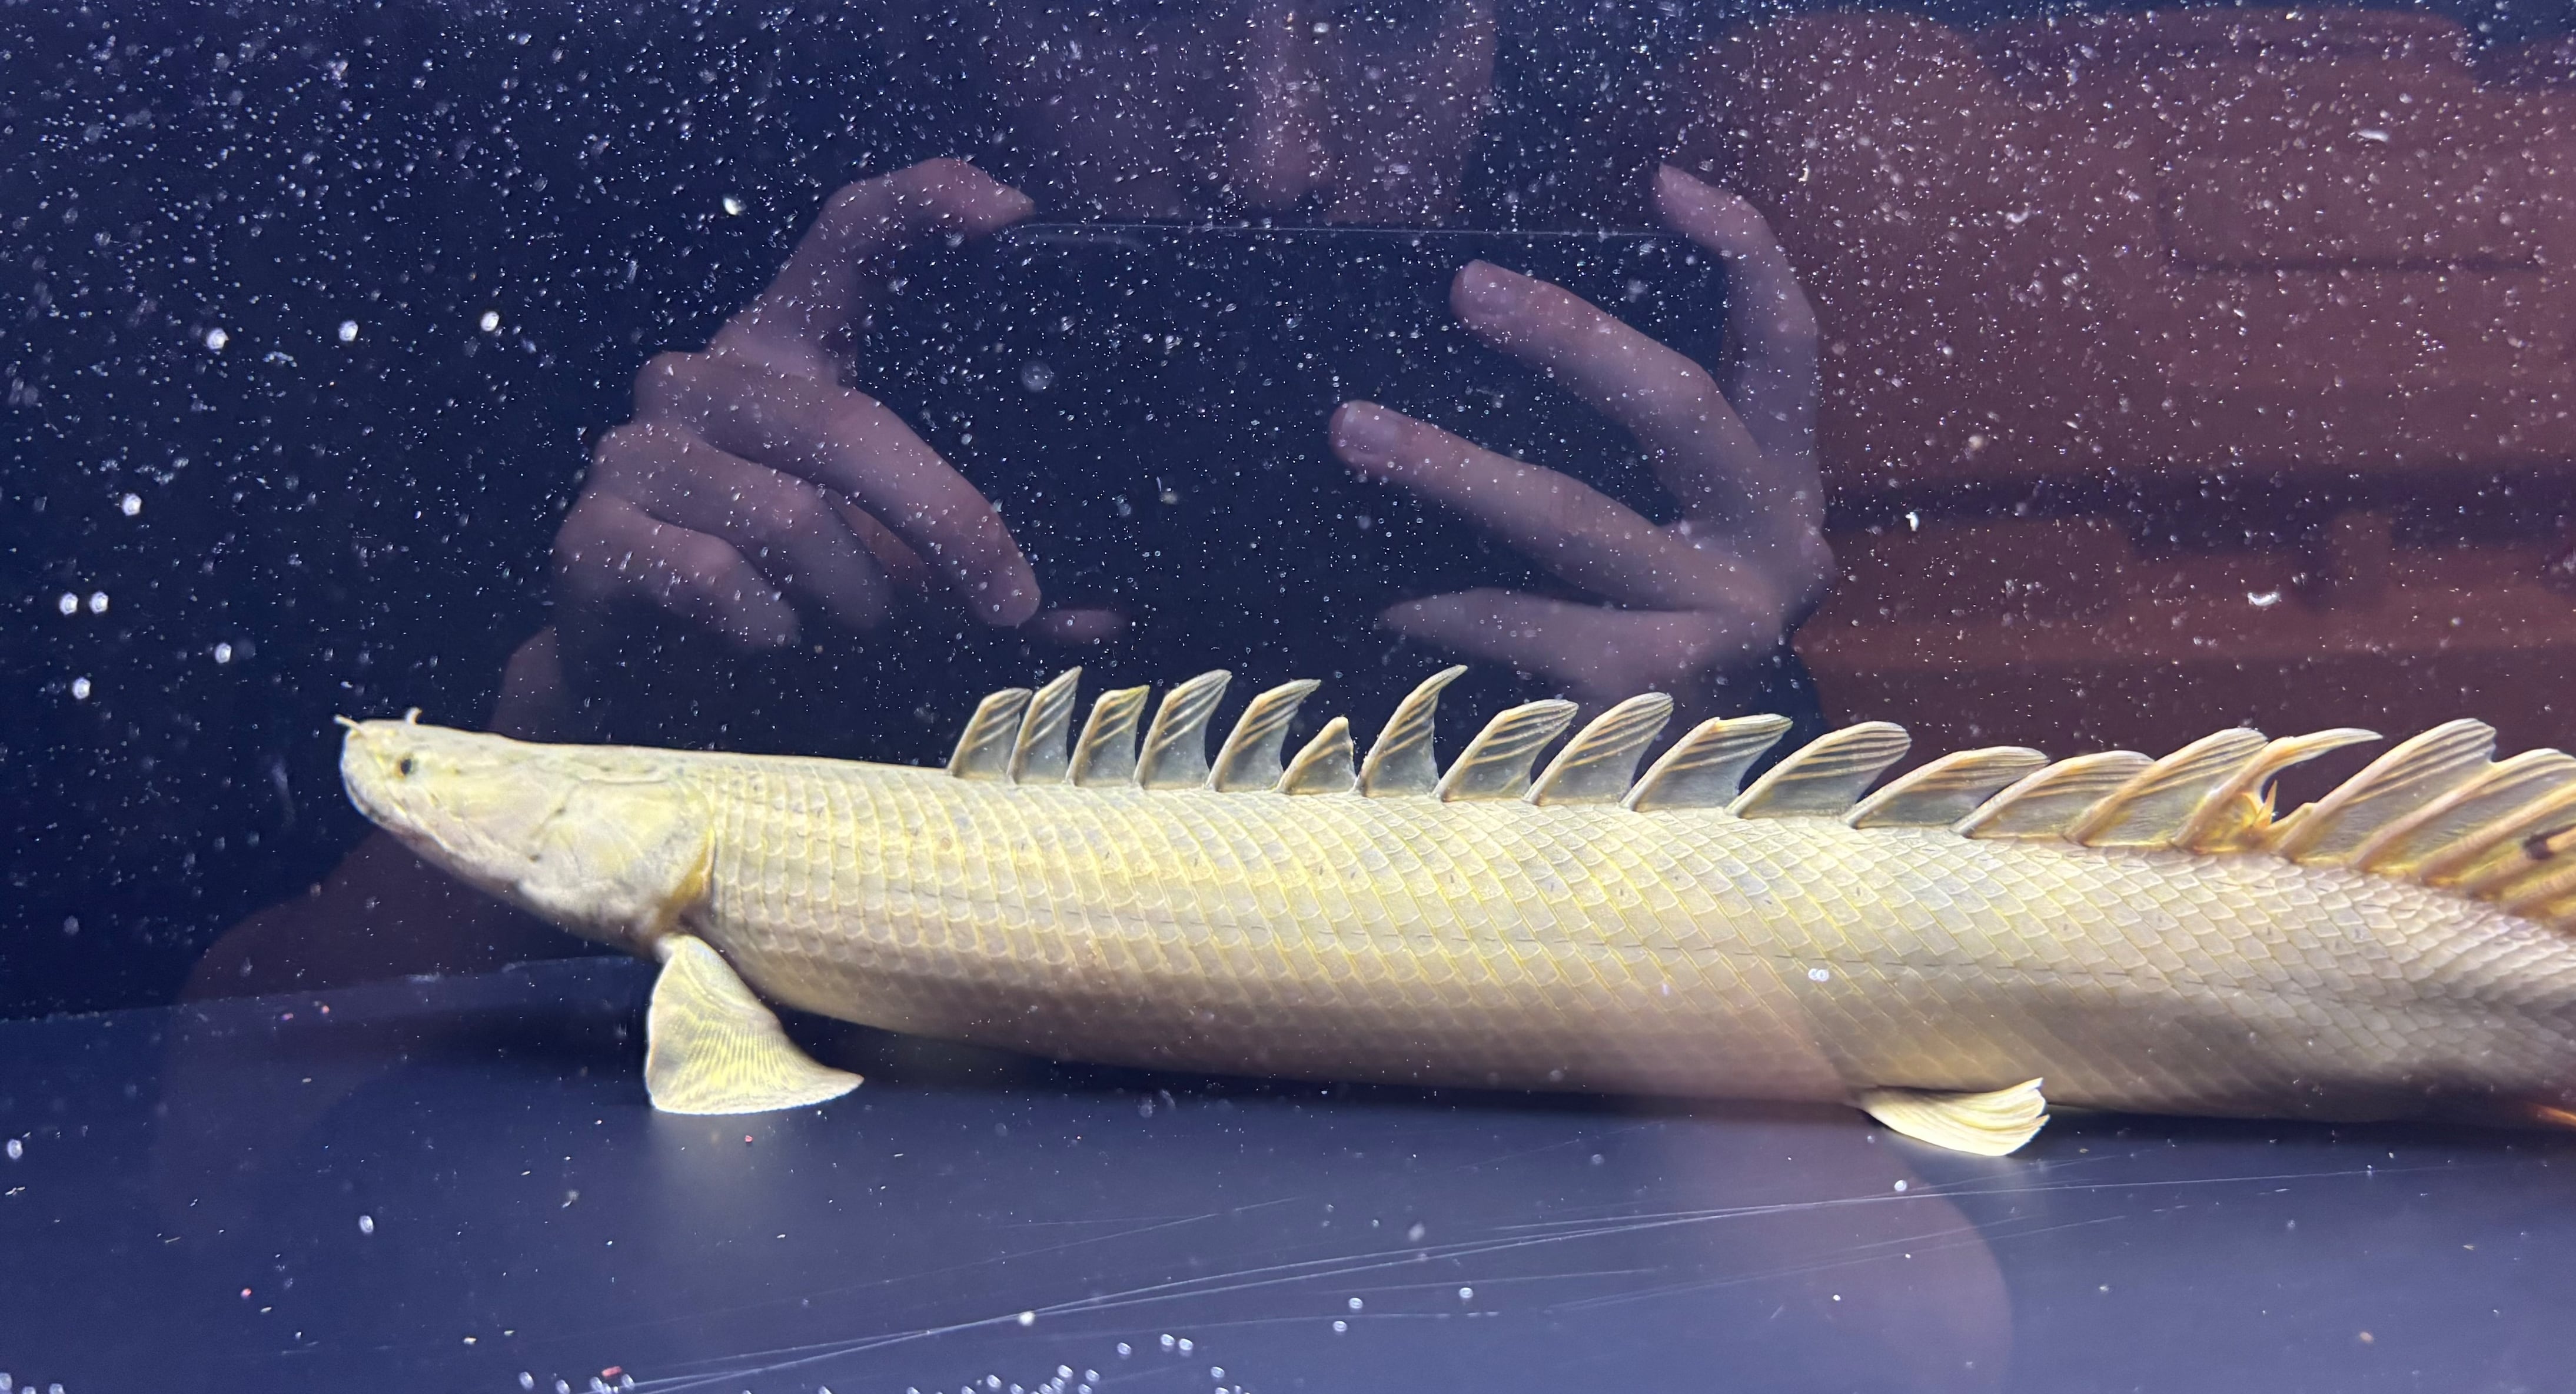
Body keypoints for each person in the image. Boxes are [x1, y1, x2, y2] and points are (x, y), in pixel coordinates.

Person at [184, 0, 1834, 996]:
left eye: (1393, 17)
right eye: (1131, 8)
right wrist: (594, 724)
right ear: (948, 41)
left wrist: (1735, 759)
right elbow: (216, 1148)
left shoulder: (1635, 552)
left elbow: (1893, 1323)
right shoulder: (709, 459)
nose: (1274, 155)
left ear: (1497, 56)